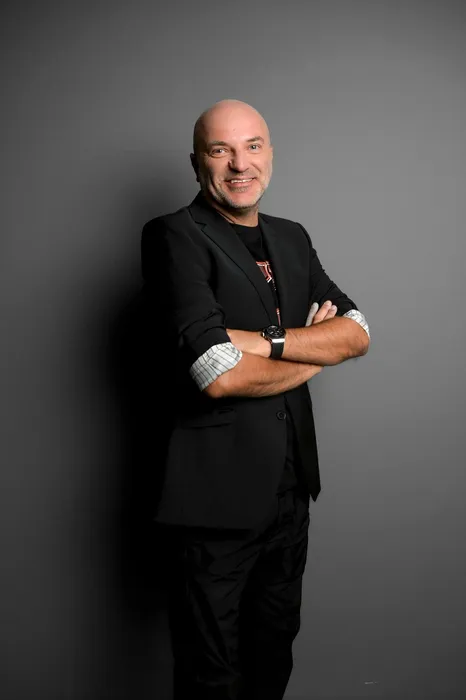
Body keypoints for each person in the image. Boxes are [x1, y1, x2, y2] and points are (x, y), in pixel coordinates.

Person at [140, 99, 370, 700]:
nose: (240, 164)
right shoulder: (174, 236)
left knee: (273, 661)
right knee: (211, 676)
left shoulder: (292, 237)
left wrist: (266, 342)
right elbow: (216, 373)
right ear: (197, 163)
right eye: (221, 150)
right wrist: (314, 356)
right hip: (213, 504)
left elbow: (358, 332)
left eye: (253, 146)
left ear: (270, 153)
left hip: (291, 495)